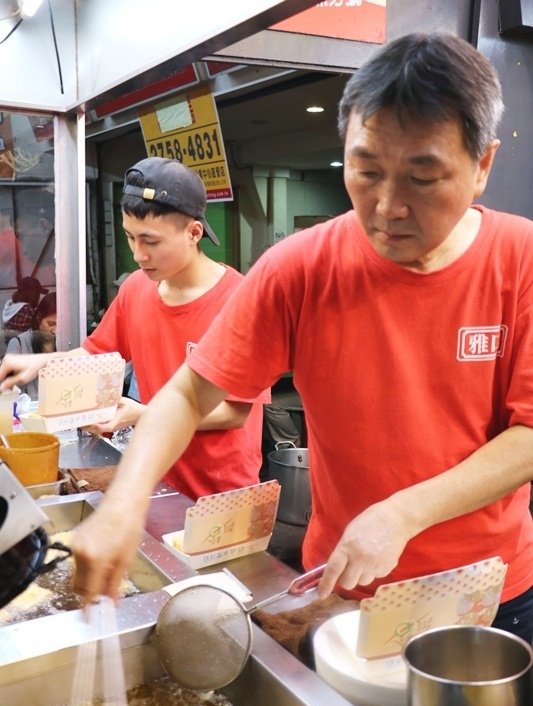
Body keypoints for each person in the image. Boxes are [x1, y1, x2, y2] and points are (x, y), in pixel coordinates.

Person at [11, 35, 533, 641]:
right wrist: (127, 501)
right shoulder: (300, 268)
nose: (388, 206)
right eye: (365, 171)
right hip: (340, 585)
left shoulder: (519, 261)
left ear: (483, 166)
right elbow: (187, 395)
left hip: (486, 590)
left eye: (423, 177)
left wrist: (404, 512)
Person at [0, 158, 268, 500]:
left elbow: (235, 412)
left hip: (221, 493)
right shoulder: (136, 289)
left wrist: (144, 413)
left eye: (151, 241)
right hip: (157, 477)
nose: (139, 255)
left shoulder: (240, 301)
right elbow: (97, 352)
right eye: (130, 238)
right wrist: (43, 363)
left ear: (194, 232)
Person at [5, 291, 56, 399]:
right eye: (51, 324)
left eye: (61, 324)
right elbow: (6, 388)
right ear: (38, 318)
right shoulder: (18, 343)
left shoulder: (68, 343)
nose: (55, 331)